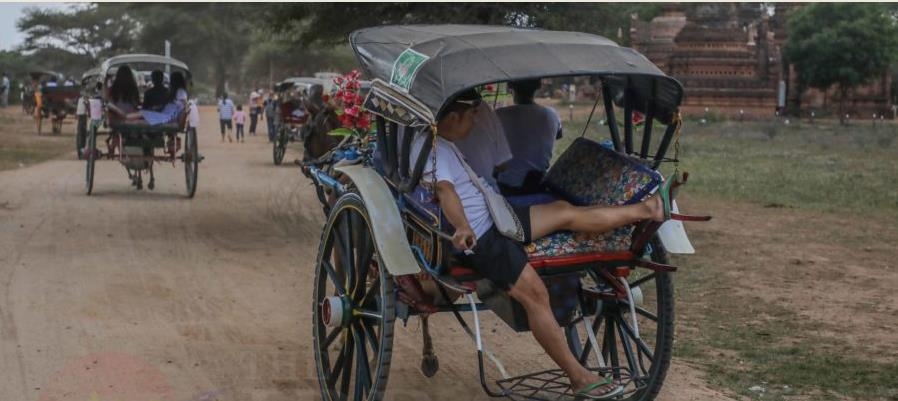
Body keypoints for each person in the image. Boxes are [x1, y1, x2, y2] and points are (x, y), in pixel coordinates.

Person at [410, 89, 666, 400]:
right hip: (483, 237)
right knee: (535, 296)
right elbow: (445, 191)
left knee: (563, 211)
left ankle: (645, 209)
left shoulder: (439, 142)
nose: (476, 123)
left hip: (498, 216)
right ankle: (578, 376)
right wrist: (463, 227)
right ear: (452, 117)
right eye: (472, 117)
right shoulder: (432, 148)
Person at [496, 79, 563, 196]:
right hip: (537, 184)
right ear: (538, 86)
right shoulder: (552, 114)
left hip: (507, 187)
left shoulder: (499, 114)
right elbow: (558, 136)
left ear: (510, 85)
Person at [453, 101, 513, 190]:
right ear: (454, 118)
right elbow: (502, 165)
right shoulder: (484, 110)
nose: (475, 120)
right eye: (472, 114)